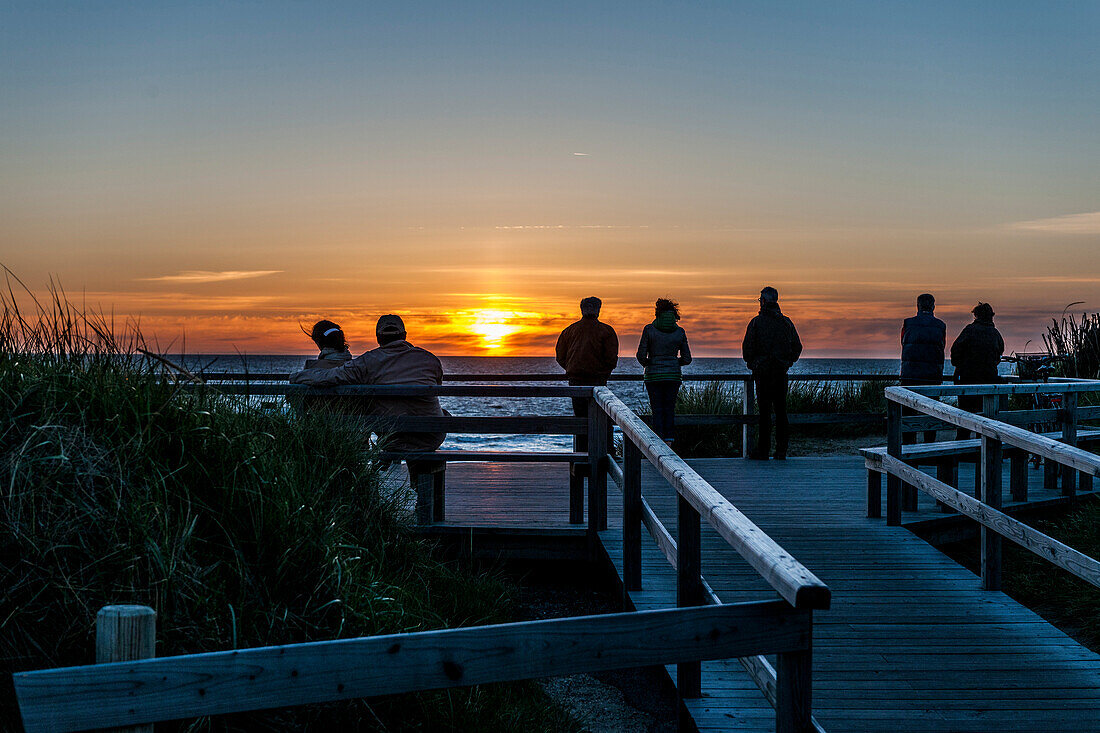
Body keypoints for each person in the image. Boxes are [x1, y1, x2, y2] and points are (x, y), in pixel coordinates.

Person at [290, 314, 447, 453]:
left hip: (392, 438)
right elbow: (436, 388)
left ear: (378, 338)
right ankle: (420, 483)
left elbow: (331, 377)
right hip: (431, 438)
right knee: (442, 413)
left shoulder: (367, 362)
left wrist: (299, 376)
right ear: (405, 335)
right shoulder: (430, 359)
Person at [742, 287, 802, 460]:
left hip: (763, 373)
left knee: (764, 413)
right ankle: (781, 450)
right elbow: (797, 347)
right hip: (780, 373)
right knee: (781, 412)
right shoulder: (786, 322)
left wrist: (753, 363)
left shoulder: (756, 323)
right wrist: (787, 362)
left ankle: (763, 450)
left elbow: (747, 348)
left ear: (763, 301)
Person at [555, 296, 619, 452]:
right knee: (603, 419)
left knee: (581, 420)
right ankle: (606, 453)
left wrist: (571, 369)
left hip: (576, 381)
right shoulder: (606, 331)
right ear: (598, 310)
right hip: (598, 382)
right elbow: (611, 358)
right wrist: (603, 373)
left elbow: (560, 356)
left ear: (581, 309)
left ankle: (582, 454)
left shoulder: (569, 331)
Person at [636, 298, 691, 446]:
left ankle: (657, 442)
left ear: (657, 313)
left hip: (653, 376)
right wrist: (673, 362)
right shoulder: (680, 332)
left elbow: (641, 355)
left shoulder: (649, 329)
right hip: (673, 376)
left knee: (657, 409)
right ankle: (670, 440)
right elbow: (687, 359)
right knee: (669, 408)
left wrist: (650, 363)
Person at [950, 302, 1004, 439]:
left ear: (976, 315)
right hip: (989, 381)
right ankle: (982, 450)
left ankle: (962, 448)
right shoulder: (996, 334)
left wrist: (959, 366)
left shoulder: (969, 330)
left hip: (968, 380)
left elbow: (955, 350)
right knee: (985, 418)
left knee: (965, 417)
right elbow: (999, 354)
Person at [900, 294, 947, 444]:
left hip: (909, 374)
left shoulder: (908, 323)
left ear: (918, 306)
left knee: (907, 412)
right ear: (933, 306)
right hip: (932, 376)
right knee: (931, 411)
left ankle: (908, 446)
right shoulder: (940, 325)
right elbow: (942, 345)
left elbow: (903, 342)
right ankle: (929, 446)